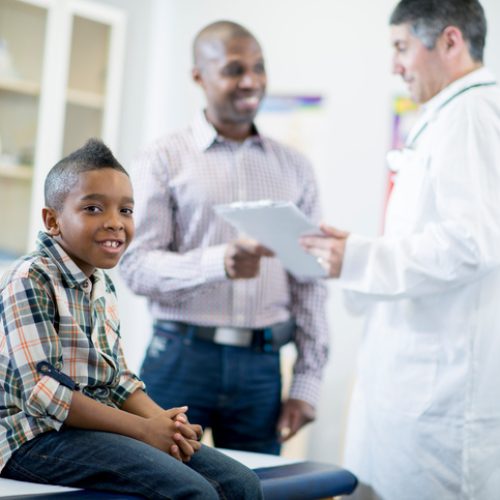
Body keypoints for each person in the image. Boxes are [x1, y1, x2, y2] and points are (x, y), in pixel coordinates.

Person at [301, 0, 500, 498]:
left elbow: (471, 242)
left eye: (402, 47)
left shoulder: (471, 113)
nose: (395, 65)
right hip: (414, 387)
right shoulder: (447, 115)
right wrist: (360, 253)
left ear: (450, 42)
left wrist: (362, 257)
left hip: (443, 398)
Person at [0, 139, 263, 499]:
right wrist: (143, 431)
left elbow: (118, 381)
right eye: (93, 208)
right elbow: (46, 395)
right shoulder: (30, 278)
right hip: (31, 436)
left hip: (86, 430)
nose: (115, 223)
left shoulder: (101, 283)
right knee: (191, 492)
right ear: (53, 220)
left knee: (241, 485)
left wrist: (167, 425)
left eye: (126, 211)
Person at [119, 20, 329, 455]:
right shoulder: (162, 157)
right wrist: (219, 263)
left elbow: (310, 278)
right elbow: (136, 266)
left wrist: (308, 382)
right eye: (234, 69)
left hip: (262, 367)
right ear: (199, 75)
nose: (250, 80)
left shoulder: (296, 168)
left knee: (253, 487)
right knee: (159, 484)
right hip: (179, 357)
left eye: (258, 67)